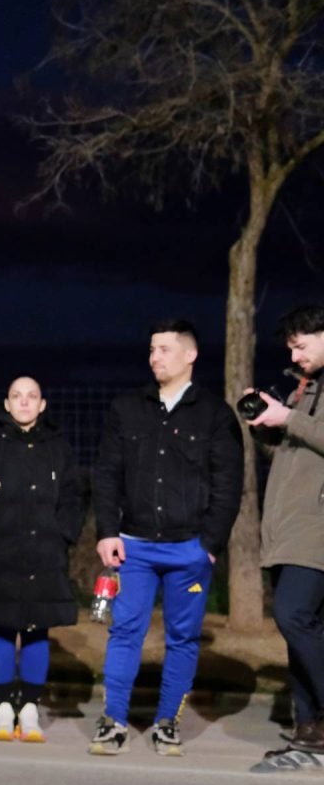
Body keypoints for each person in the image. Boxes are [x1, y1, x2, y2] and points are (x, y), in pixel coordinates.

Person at [90, 319, 243, 756]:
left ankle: (167, 723)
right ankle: (113, 721)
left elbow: (228, 483)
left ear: (190, 355)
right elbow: (106, 474)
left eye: (164, 349)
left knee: (182, 638)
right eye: (152, 349)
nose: (155, 357)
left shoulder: (215, 414)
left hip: (189, 549)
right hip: (133, 547)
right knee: (125, 632)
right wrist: (106, 532)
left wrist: (209, 546)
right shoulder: (127, 408)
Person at [0, 376, 82, 743]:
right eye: (16, 396)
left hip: (46, 556)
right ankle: (3, 706)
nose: (24, 402)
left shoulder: (58, 448)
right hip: (0, 556)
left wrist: (63, 533)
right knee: (2, 627)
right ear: (7, 404)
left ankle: (30, 706)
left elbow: (73, 496)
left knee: (38, 628)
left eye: (32, 396)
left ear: (42, 405)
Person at [248, 305, 324, 758]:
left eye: (301, 345)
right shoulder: (306, 388)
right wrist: (267, 424)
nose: (295, 356)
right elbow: (294, 455)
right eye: (291, 348)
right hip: (289, 528)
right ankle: (309, 726)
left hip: (314, 530)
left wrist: (288, 419)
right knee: (303, 630)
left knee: (294, 616)